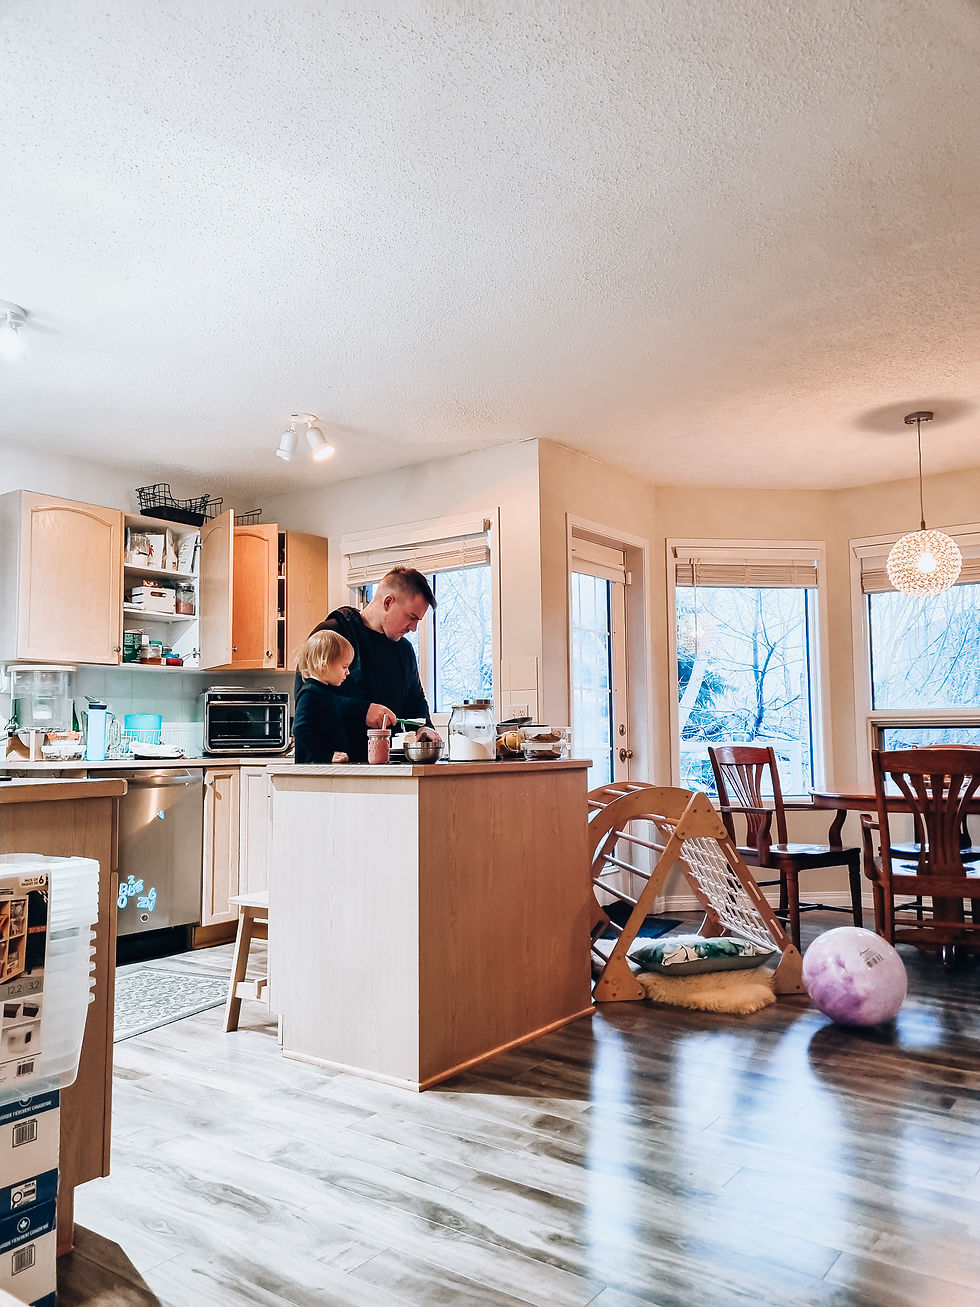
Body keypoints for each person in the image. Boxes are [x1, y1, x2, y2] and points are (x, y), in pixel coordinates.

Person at [295, 566, 441, 763]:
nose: (414, 628)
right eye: (411, 617)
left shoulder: (405, 650)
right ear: (388, 602)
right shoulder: (333, 635)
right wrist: (362, 711)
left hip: (387, 768)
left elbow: (415, 700)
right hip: (333, 769)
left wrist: (425, 727)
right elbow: (306, 698)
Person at [292, 630, 361, 764]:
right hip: (313, 770)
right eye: (344, 666)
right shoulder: (310, 693)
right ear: (325, 664)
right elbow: (300, 729)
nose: (348, 672)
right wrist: (326, 755)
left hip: (323, 768)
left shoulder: (324, 692)